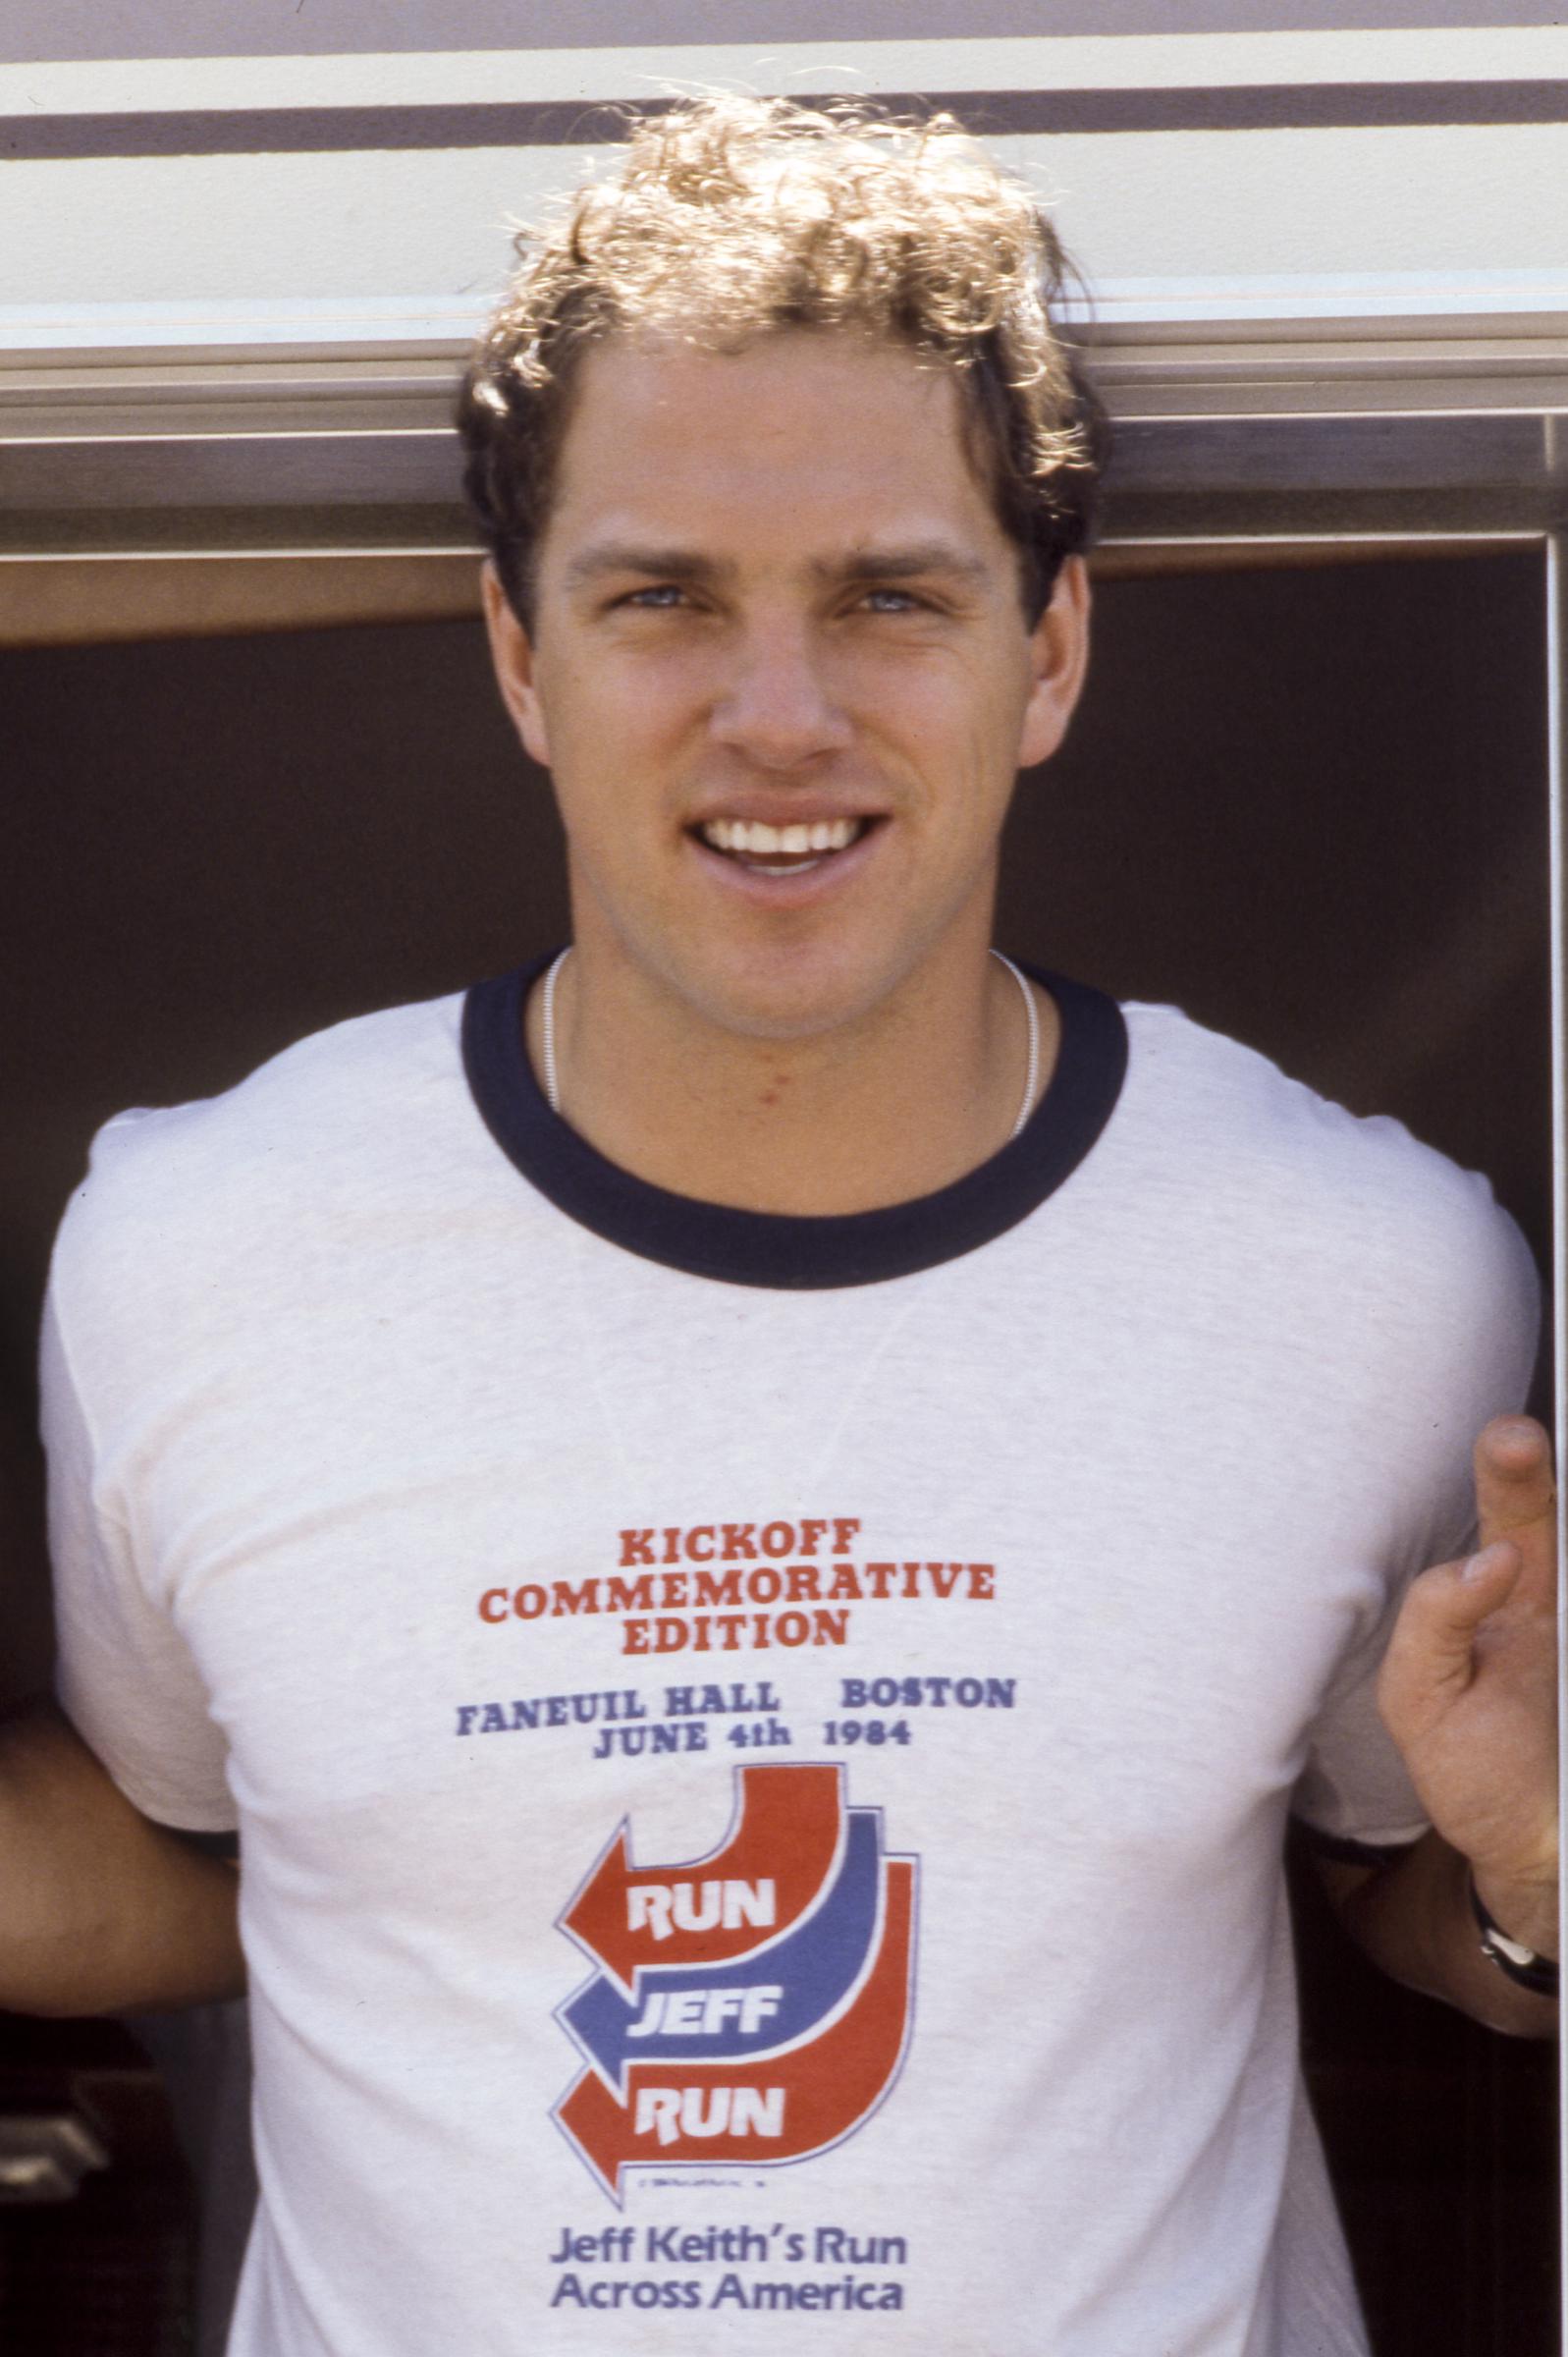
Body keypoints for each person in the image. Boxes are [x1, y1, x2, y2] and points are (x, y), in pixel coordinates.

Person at [20, 94, 1558, 2357]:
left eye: (887, 597)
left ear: (1044, 658)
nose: (778, 715)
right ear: (519, 658)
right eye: (661, 598)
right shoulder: (187, 1252)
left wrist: (1535, 1883)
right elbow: (201, 1874)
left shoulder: (1375, 1281)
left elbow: (1405, 1895)